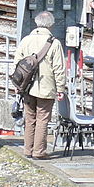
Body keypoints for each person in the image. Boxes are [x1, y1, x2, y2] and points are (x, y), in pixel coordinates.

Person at [14, 12, 65, 160]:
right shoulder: (54, 43)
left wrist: (18, 85)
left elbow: (16, 62)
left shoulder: (26, 40)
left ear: (36, 23)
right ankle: (39, 151)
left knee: (30, 118)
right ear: (51, 24)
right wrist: (60, 88)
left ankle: (28, 149)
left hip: (27, 86)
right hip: (45, 87)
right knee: (42, 118)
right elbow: (59, 68)